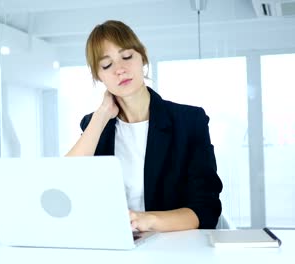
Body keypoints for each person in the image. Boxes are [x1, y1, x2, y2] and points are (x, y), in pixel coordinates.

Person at [66, 20, 222, 232]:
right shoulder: (94, 124)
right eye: (106, 65)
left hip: (173, 248)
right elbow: (66, 184)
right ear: (98, 76)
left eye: (127, 57)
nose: (120, 69)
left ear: (142, 57)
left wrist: (148, 220)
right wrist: (102, 115)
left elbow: (206, 209)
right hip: (112, 245)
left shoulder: (189, 121)